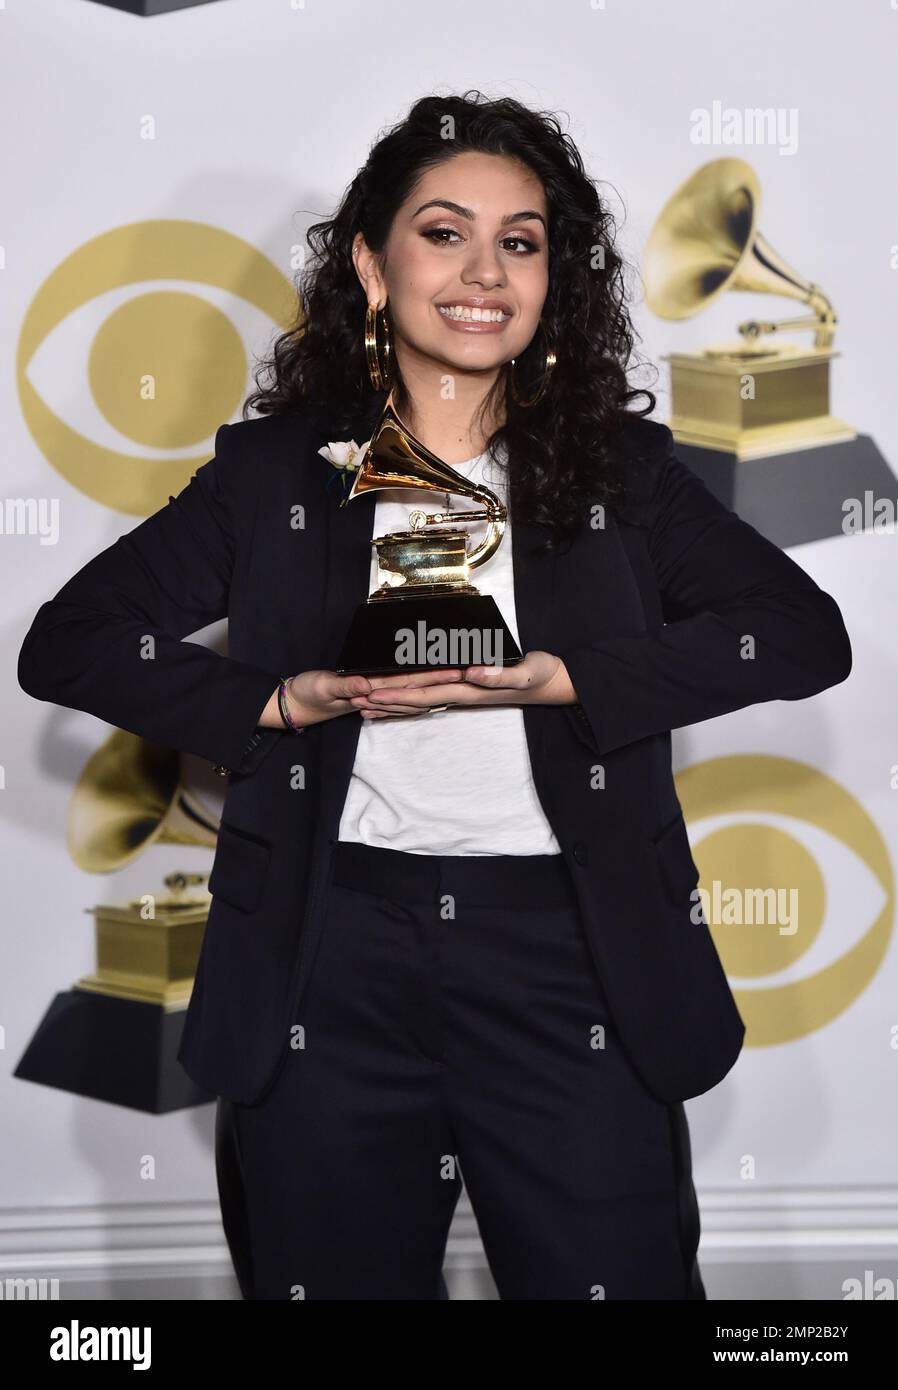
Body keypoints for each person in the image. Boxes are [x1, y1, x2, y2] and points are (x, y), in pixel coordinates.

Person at [17, 91, 852, 1300]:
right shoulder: (273, 476)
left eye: (520, 242)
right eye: (443, 233)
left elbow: (801, 634)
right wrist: (280, 700)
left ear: (551, 277)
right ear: (370, 260)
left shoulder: (622, 473)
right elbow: (72, 643)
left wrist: (574, 678)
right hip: (326, 955)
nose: (483, 273)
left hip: (572, 959)